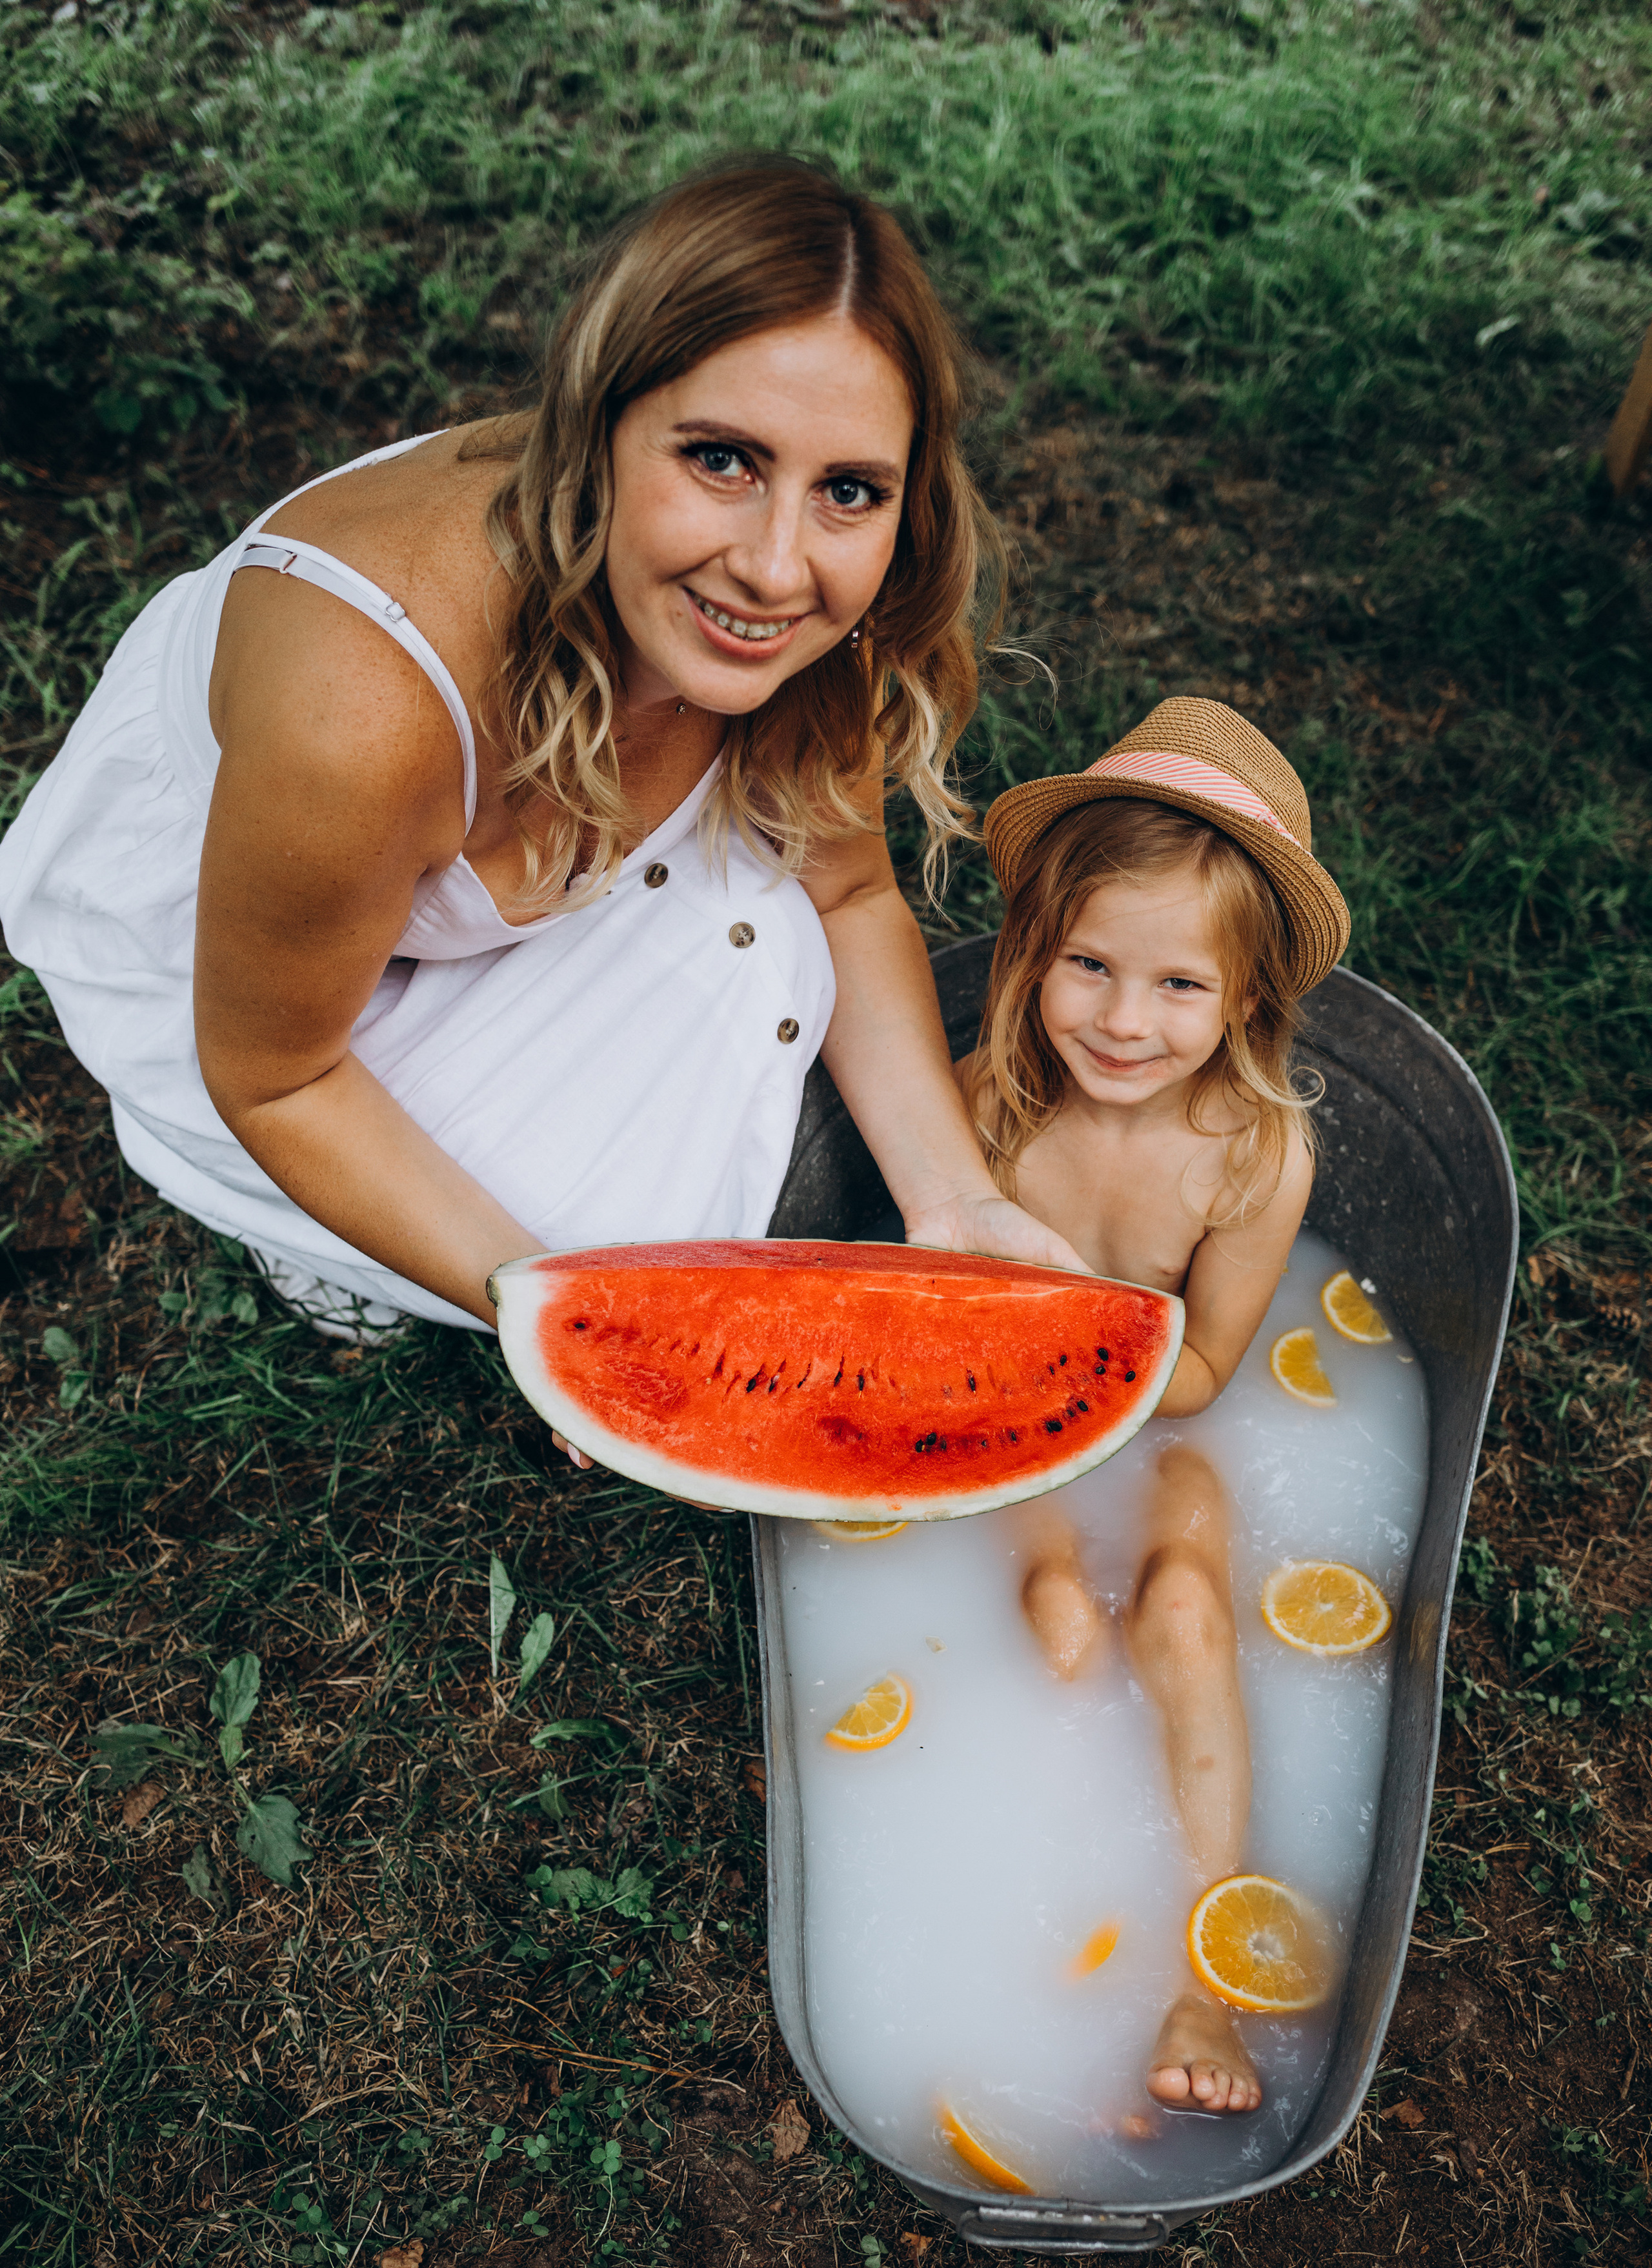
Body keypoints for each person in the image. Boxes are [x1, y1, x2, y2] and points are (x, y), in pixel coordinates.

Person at [0, 155, 1081, 1391]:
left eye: (848, 489)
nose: (779, 570)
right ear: (598, 424)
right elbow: (276, 1073)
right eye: (722, 459)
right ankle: (291, 1230)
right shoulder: (360, 707)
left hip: (459, 853)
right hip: (258, 959)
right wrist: (550, 1309)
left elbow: (841, 894)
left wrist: (958, 1205)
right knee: (589, 1234)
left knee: (766, 955)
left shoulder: (813, 609)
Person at [960, 695, 1351, 2123]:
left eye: (1179, 987)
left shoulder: (1251, 1155)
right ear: (1029, 956)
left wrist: (1076, 1321)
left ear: (1246, 999)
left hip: (1166, 1422)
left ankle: (1196, 1961)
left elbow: (1199, 1379)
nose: (1123, 1021)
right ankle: (1032, 1943)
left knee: (1184, 1612)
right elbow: (920, 1315)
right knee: (1060, 1619)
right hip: (998, 1418)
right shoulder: (988, 1100)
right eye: (1088, 967)